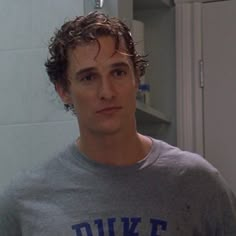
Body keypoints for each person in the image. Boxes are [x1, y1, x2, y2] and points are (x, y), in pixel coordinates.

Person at [0, 11, 236, 236]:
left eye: (118, 73)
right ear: (64, 90)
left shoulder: (197, 183)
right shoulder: (25, 201)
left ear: (136, 78)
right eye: (89, 77)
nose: (107, 92)